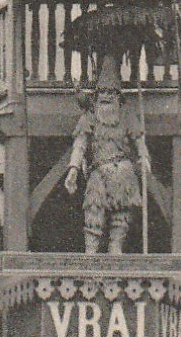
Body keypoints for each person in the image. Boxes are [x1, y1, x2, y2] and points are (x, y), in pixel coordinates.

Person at [64, 55, 151, 254]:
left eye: (111, 92)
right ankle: (91, 252)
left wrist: (144, 156)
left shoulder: (126, 116)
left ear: (118, 97)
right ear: (96, 96)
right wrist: (73, 168)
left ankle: (116, 249)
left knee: (121, 214)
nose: (106, 96)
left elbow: (138, 138)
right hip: (99, 171)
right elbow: (80, 144)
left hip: (123, 170)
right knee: (93, 209)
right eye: (102, 92)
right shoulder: (90, 117)